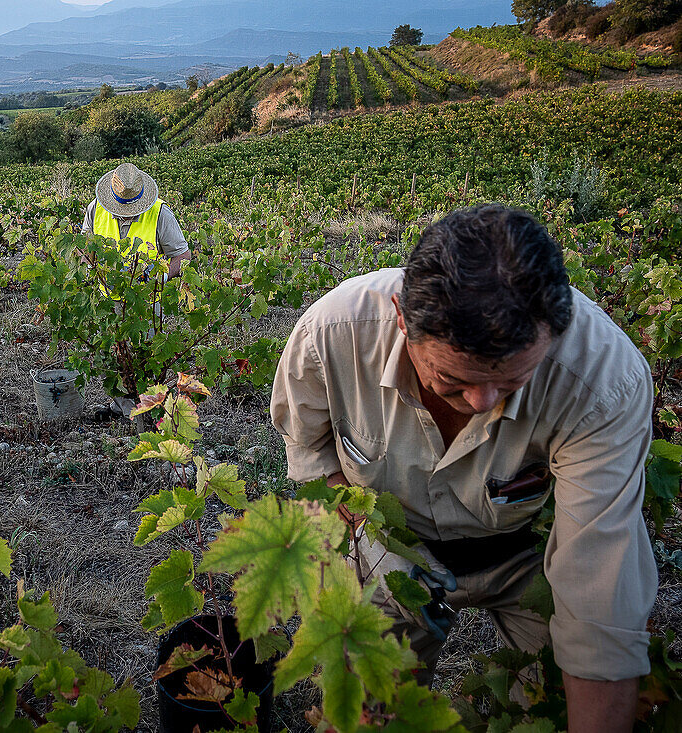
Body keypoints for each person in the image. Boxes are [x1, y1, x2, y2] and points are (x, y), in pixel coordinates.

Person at [271, 204, 656, 731]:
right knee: (371, 714)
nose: (481, 403)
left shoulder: (603, 382)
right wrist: (365, 544)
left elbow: (599, 592)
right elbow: (311, 454)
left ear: (553, 334)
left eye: (512, 382)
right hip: (390, 547)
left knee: (553, 705)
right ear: (403, 319)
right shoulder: (330, 337)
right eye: (452, 379)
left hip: (529, 553)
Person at [83, 162, 192, 418]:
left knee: (147, 356)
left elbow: (183, 255)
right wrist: (91, 266)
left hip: (146, 301)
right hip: (107, 299)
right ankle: (122, 407)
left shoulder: (159, 213)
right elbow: (85, 245)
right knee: (113, 355)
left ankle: (150, 410)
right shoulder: (95, 209)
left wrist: (162, 276)